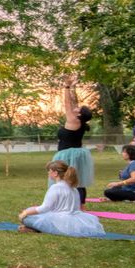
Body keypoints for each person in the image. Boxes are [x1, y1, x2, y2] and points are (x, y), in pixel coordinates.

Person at [18, 161, 105, 237]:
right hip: (75, 220)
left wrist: (25, 213)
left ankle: (37, 228)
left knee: (26, 217)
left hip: (60, 222)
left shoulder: (56, 187)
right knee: (31, 211)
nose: (48, 173)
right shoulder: (73, 187)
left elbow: (45, 208)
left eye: (50, 171)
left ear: (55, 173)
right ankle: (36, 228)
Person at [51, 75, 94, 209]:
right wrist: (73, 88)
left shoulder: (74, 120)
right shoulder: (78, 120)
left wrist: (66, 86)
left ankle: (77, 206)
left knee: (70, 180)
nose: (76, 108)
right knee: (76, 181)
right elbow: (74, 103)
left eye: (78, 110)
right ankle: (77, 205)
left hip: (69, 154)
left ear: (79, 114)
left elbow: (68, 104)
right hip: (74, 152)